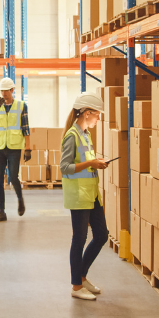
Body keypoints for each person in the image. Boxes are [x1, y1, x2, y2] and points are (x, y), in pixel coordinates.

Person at [60, 93, 109, 301]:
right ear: (87, 113)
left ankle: (82, 275)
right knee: (79, 240)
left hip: (91, 194)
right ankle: (76, 286)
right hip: (79, 195)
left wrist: (97, 161)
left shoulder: (85, 134)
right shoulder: (72, 135)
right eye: (97, 115)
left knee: (101, 235)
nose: (99, 119)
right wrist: (91, 164)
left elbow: (86, 161)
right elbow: (65, 168)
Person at [0, 77, 31, 222]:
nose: (4, 93)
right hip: (0, 147)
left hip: (14, 147)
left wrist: (28, 148)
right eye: (2, 91)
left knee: (13, 177)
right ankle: (1, 211)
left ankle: (20, 199)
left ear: (12, 90)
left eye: (6, 91)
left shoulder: (21, 105)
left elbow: (26, 128)